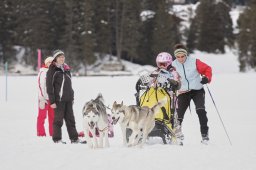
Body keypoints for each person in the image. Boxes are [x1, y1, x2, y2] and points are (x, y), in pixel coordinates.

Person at [172, 44, 212, 144]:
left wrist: (207, 78)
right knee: (178, 115)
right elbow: (170, 77)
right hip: (183, 92)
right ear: (175, 56)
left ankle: (205, 135)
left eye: (183, 56)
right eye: (178, 57)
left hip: (197, 90)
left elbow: (207, 69)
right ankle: (177, 135)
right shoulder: (173, 65)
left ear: (186, 55)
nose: (180, 59)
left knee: (200, 110)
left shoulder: (194, 62)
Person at [46, 50, 80, 144]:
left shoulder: (66, 69)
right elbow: (49, 87)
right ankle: (57, 139)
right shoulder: (52, 70)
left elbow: (69, 85)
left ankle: (74, 138)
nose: (62, 58)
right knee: (58, 121)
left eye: (63, 57)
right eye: (59, 57)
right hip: (58, 100)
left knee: (71, 120)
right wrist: (52, 101)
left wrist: (72, 97)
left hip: (68, 99)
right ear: (55, 59)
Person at [37, 56, 55, 136]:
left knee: (52, 117)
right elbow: (40, 86)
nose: (50, 64)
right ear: (46, 63)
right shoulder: (43, 72)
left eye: (52, 62)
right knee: (42, 117)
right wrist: (42, 98)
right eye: (49, 62)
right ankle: (41, 134)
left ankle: (53, 133)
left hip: (52, 99)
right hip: (44, 99)